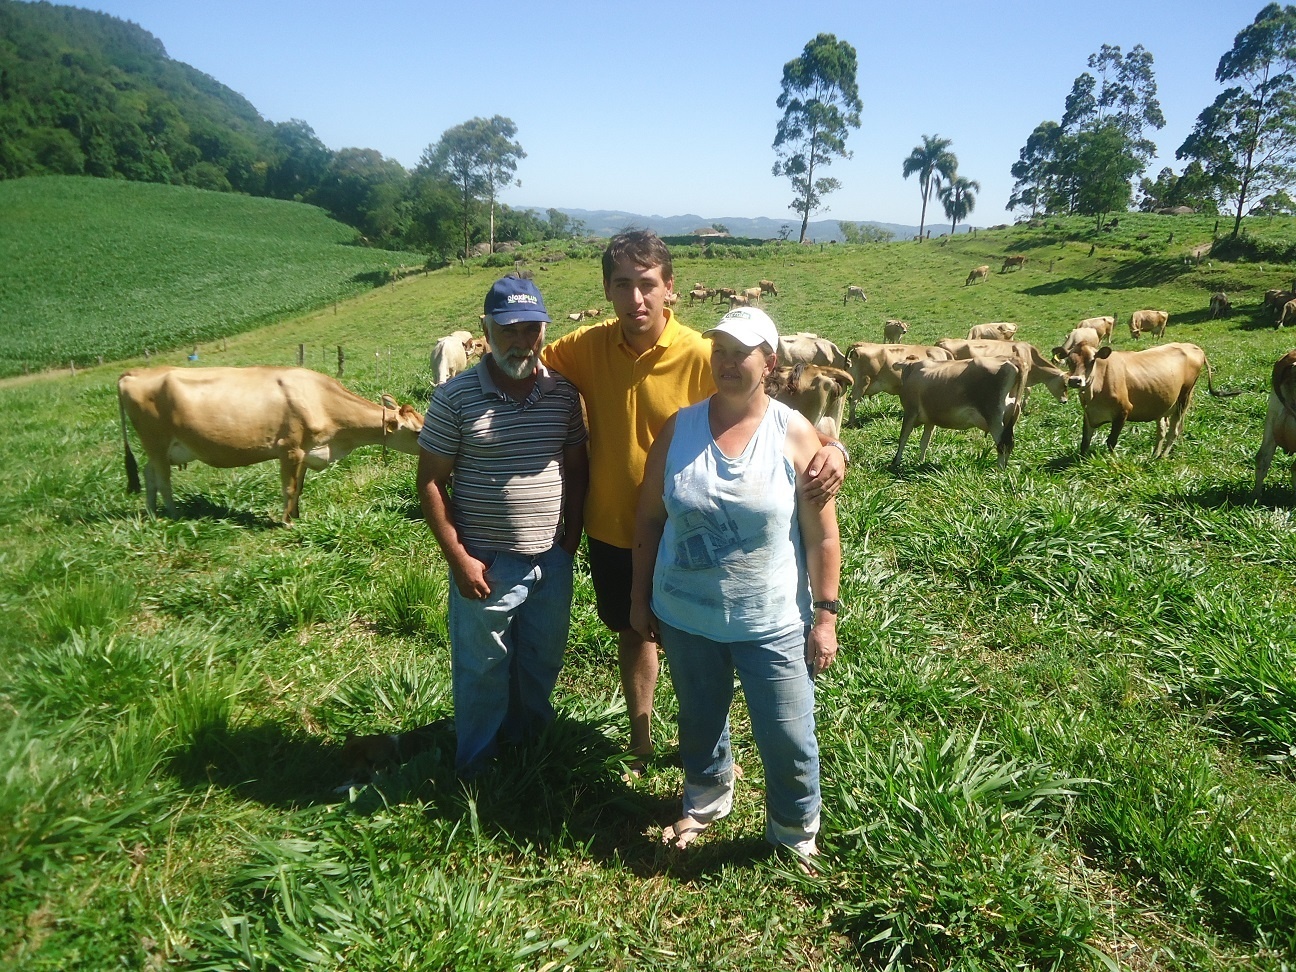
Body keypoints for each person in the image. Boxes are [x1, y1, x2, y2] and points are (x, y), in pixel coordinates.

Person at [542, 231, 846, 774]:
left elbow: (772, 414)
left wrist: (836, 448)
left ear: (670, 289)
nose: (636, 299)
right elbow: (525, 365)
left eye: (647, 286)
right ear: (607, 291)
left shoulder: (703, 352)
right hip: (613, 523)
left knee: (693, 633)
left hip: (696, 528)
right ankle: (642, 740)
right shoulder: (582, 348)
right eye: (622, 286)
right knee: (634, 630)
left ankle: (709, 745)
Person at [630, 306, 840, 859]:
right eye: (718, 351)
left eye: (740, 353)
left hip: (769, 619)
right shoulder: (679, 427)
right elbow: (650, 518)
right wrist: (639, 596)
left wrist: (825, 616)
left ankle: (794, 833)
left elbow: (822, 538)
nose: (726, 363)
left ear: (769, 362)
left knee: (789, 735)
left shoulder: (794, 433)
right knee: (699, 719)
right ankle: (705, 796)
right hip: (684, 614)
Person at [418, 276, 589, 776]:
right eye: (508, 328)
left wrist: (571, 535)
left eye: (532, 328)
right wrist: (459, 559)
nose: (521, 340)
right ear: (485, 328)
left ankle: (528, 746)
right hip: (487, 563)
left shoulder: (562, 394)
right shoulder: (455, 398)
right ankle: (477, 766)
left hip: (551, 559)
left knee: (541, 660)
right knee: (483, 668)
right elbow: (430, 483)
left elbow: (576, 466)